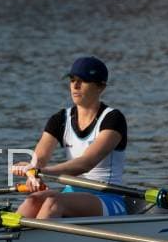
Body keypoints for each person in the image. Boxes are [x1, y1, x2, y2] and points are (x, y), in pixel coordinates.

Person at [11, 57, 132, 219]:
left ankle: (36, 234)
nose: (75, 86)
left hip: (107, 198)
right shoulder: (60, 119)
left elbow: (86, 163)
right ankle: (8, 234)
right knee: (32, 200)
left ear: (100, 87)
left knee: (53, 203)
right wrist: (32, 172)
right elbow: (39, 158)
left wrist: (42, 172)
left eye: (83, 81)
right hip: (71, 194)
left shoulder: (113, 119)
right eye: (72, 80)